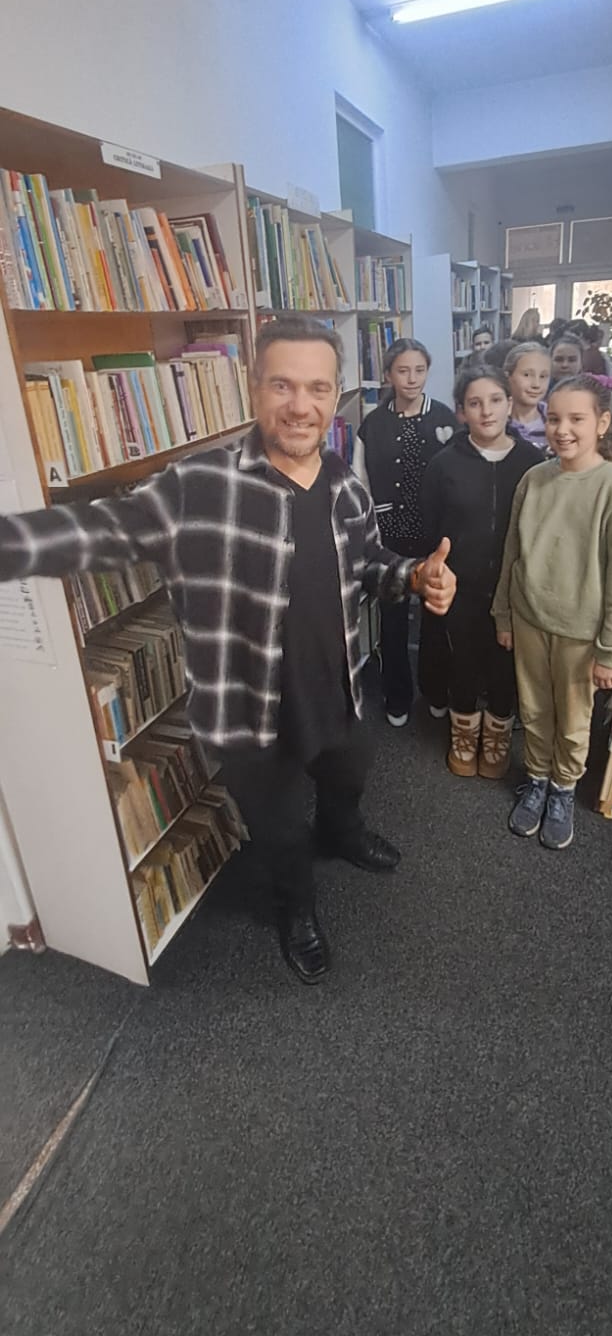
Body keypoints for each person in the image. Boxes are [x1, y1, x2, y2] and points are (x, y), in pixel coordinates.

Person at [0, 315, 456, 984]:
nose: (299, 405)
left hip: (338, 690)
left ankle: (342, 832)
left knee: (347, 778)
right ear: (253, 387)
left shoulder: (343, 483)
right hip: (247, 711)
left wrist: (413, 577)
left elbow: (369, 566)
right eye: (281, 385)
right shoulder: (197, 486)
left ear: (335, 396)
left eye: (317, 388)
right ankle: (296, 910)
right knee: (279, 830)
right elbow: (95, 531)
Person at [492, 376, 612, 850]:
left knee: (575, 719)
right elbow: (512, 552)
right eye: (554, 418)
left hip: (582, 633)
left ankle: (563, 788)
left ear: (601, 423)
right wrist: (504, 614)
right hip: (530, 618)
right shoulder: (534, 479)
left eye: (576, 419)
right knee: (534, 710)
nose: (562, 430)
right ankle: (537, 779)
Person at [421, 363, 541, 780]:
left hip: (514, 587)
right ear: (461, 412)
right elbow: (431, 525)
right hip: (461, 586)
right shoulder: (443, 464)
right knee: (463, 661)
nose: (486, 411)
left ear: (510, 403)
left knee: (506, 665)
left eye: (494, 400)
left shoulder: (533, 462)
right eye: (474, 403)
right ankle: (464, 735)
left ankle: (497, 737)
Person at [352, 338, 458, 727]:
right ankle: (397, 694)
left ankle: (436, 689)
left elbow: (456, 477)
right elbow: (360, 483)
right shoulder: (373, 425)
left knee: (435, 619)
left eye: (419, 370)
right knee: (393, 621)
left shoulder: (444, 418)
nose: (412, 379)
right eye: (402, 371)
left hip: (434, 534)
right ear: (388, 375)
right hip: (390, 536)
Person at [504, 342, 551, 451]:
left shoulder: (556, 421)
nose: (536, 384)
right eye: (527, 375)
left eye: (543, 376)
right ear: (508, 376)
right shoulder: (496, 421)